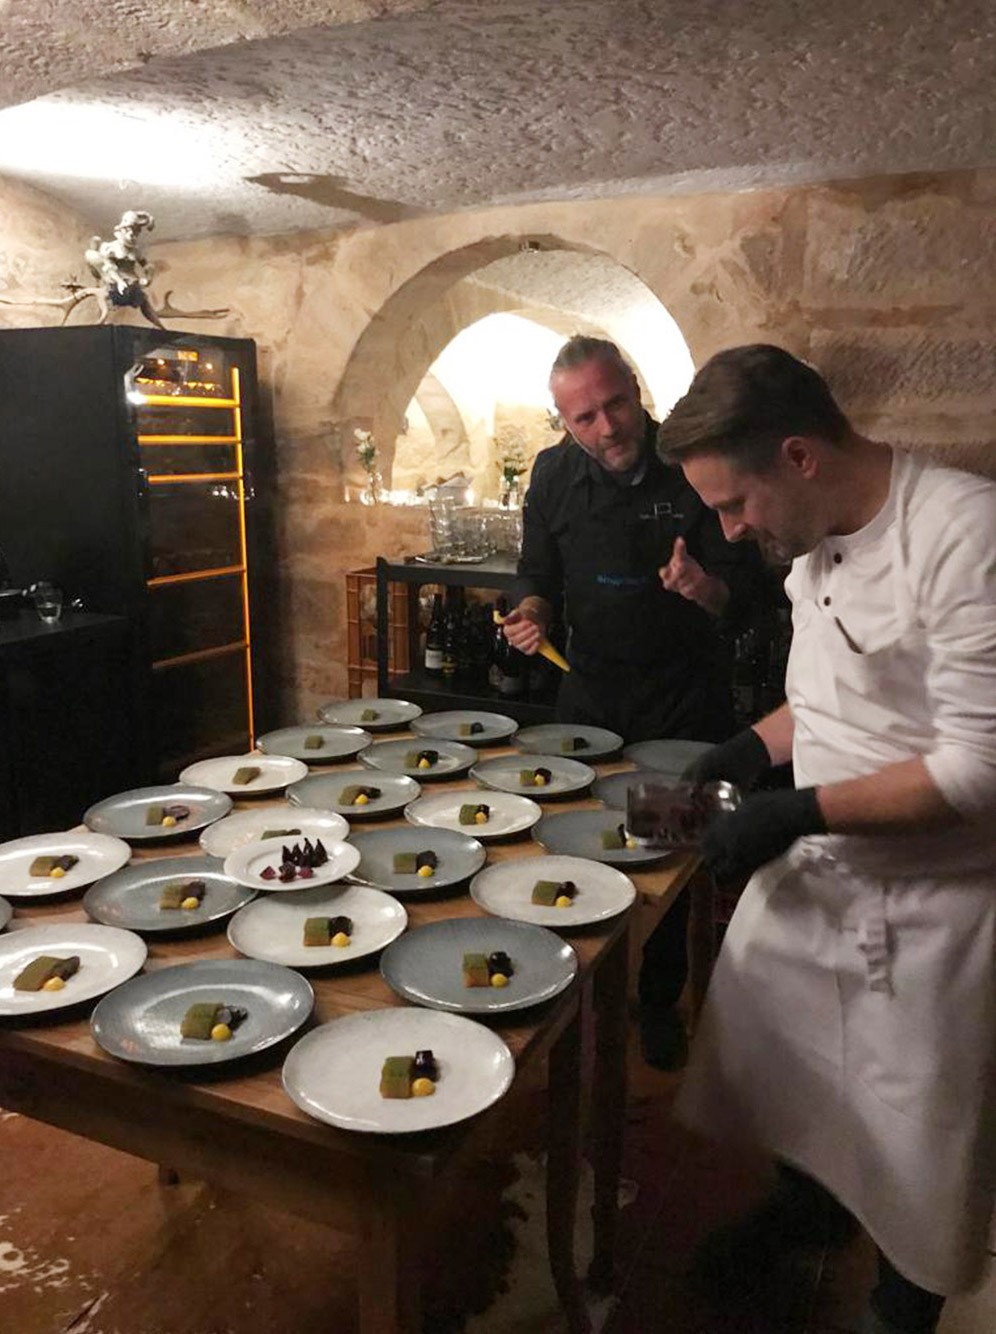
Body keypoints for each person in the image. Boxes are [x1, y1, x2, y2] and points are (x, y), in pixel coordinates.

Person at [656, 343, 996, 1334]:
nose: (729, 530)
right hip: (824, 874)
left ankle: (900, 1302)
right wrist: (746, 749)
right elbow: (825, 700)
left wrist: (796, 812)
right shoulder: (812, 542)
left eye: (733, 504)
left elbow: (979, 768)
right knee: (782, 1069)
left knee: (918, 1145)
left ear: (798, 456)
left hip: (934, 908)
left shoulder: (964, 535)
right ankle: (804, 1215)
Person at [503, 335, 767, 1069]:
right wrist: (531, 614)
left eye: (615, 404)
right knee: (573, 843)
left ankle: (657, 1002)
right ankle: (570, 994)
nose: (607, 427)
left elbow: (750, 594)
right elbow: (535, 573)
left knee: (669, 861)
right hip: (588, 697)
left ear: (636, 391)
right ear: (563, 421)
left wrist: (704, 588)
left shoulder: (690, 464)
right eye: (583, 417)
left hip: (683, 701)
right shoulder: (553, 473)